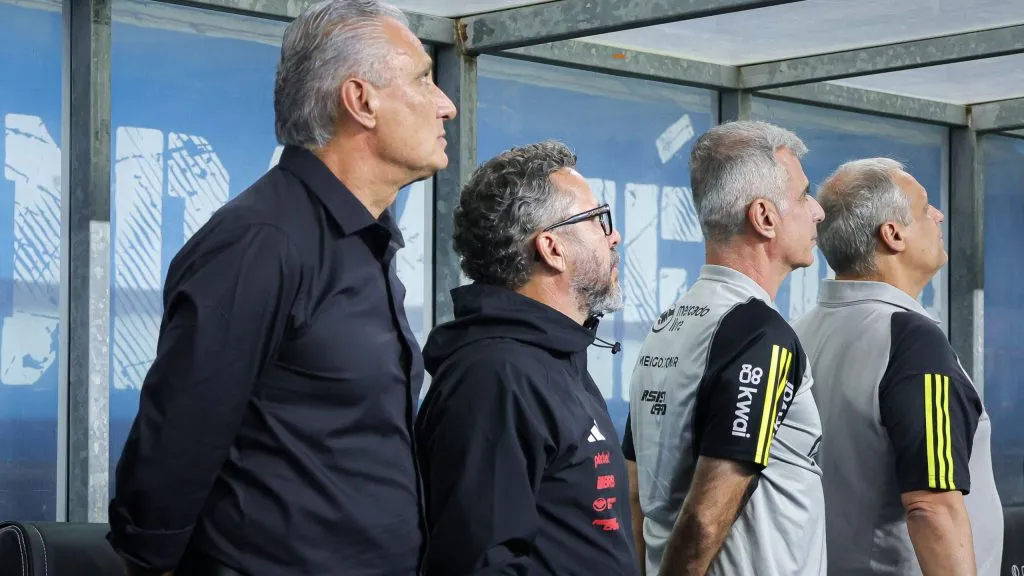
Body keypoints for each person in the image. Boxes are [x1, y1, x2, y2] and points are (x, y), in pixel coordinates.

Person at [106, 1, 457, 574]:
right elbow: (178, 439)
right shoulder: (261, 241)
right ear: (361, 101)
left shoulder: (362, 237)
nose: (447, 104)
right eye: (423, 78)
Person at [414, 141, 638, 575]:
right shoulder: (495, 377)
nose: (614, 236)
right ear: (551, 247)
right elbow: (478, 564)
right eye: (597, 220)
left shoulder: (554, 357)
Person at [624, 120, 827, 576]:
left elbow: (635, 493)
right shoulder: (761, 334)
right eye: (801, 195)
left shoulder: (668, 324)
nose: (817, 210)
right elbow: (703, 519)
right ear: (764, 217)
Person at [792, 158, 1003, 575]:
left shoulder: (797, 334)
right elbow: (931, 507)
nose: (938, 215)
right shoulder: (910, 341)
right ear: (893, 234)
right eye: (925, 207)